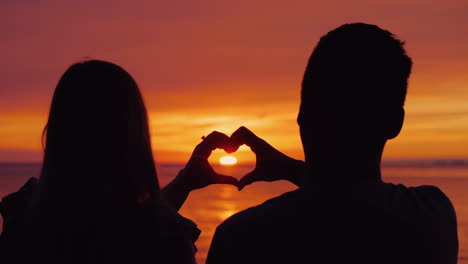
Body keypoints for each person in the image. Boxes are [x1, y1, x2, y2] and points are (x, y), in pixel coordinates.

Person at [206, 23, 458, 264]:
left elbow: (334, 195)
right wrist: (292, 169)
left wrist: (177, 195)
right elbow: (348, 198)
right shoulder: (432, 216)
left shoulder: (242, 237)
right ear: (396, 123)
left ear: (302, 115)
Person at [0, 60, 238, 264]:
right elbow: (128, 230)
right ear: (135, 135)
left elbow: (105, 224)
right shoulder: (167, 242)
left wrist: (184, 183)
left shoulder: (21, 227)